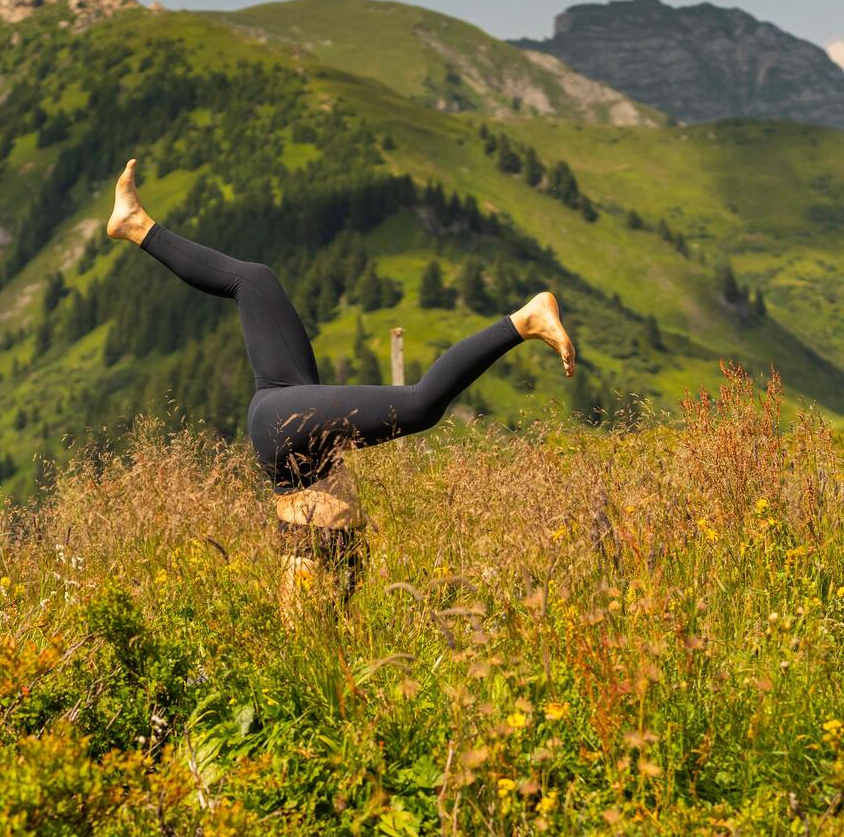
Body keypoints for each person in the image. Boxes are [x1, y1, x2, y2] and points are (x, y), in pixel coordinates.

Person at [107, 159, 576, 621]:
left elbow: (305, 615)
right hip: (292, 433)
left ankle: (136, 225)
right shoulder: (321, 601)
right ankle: (523, 321)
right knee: (413, 399)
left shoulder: (307, 607)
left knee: (256, 284)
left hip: (287, 431)